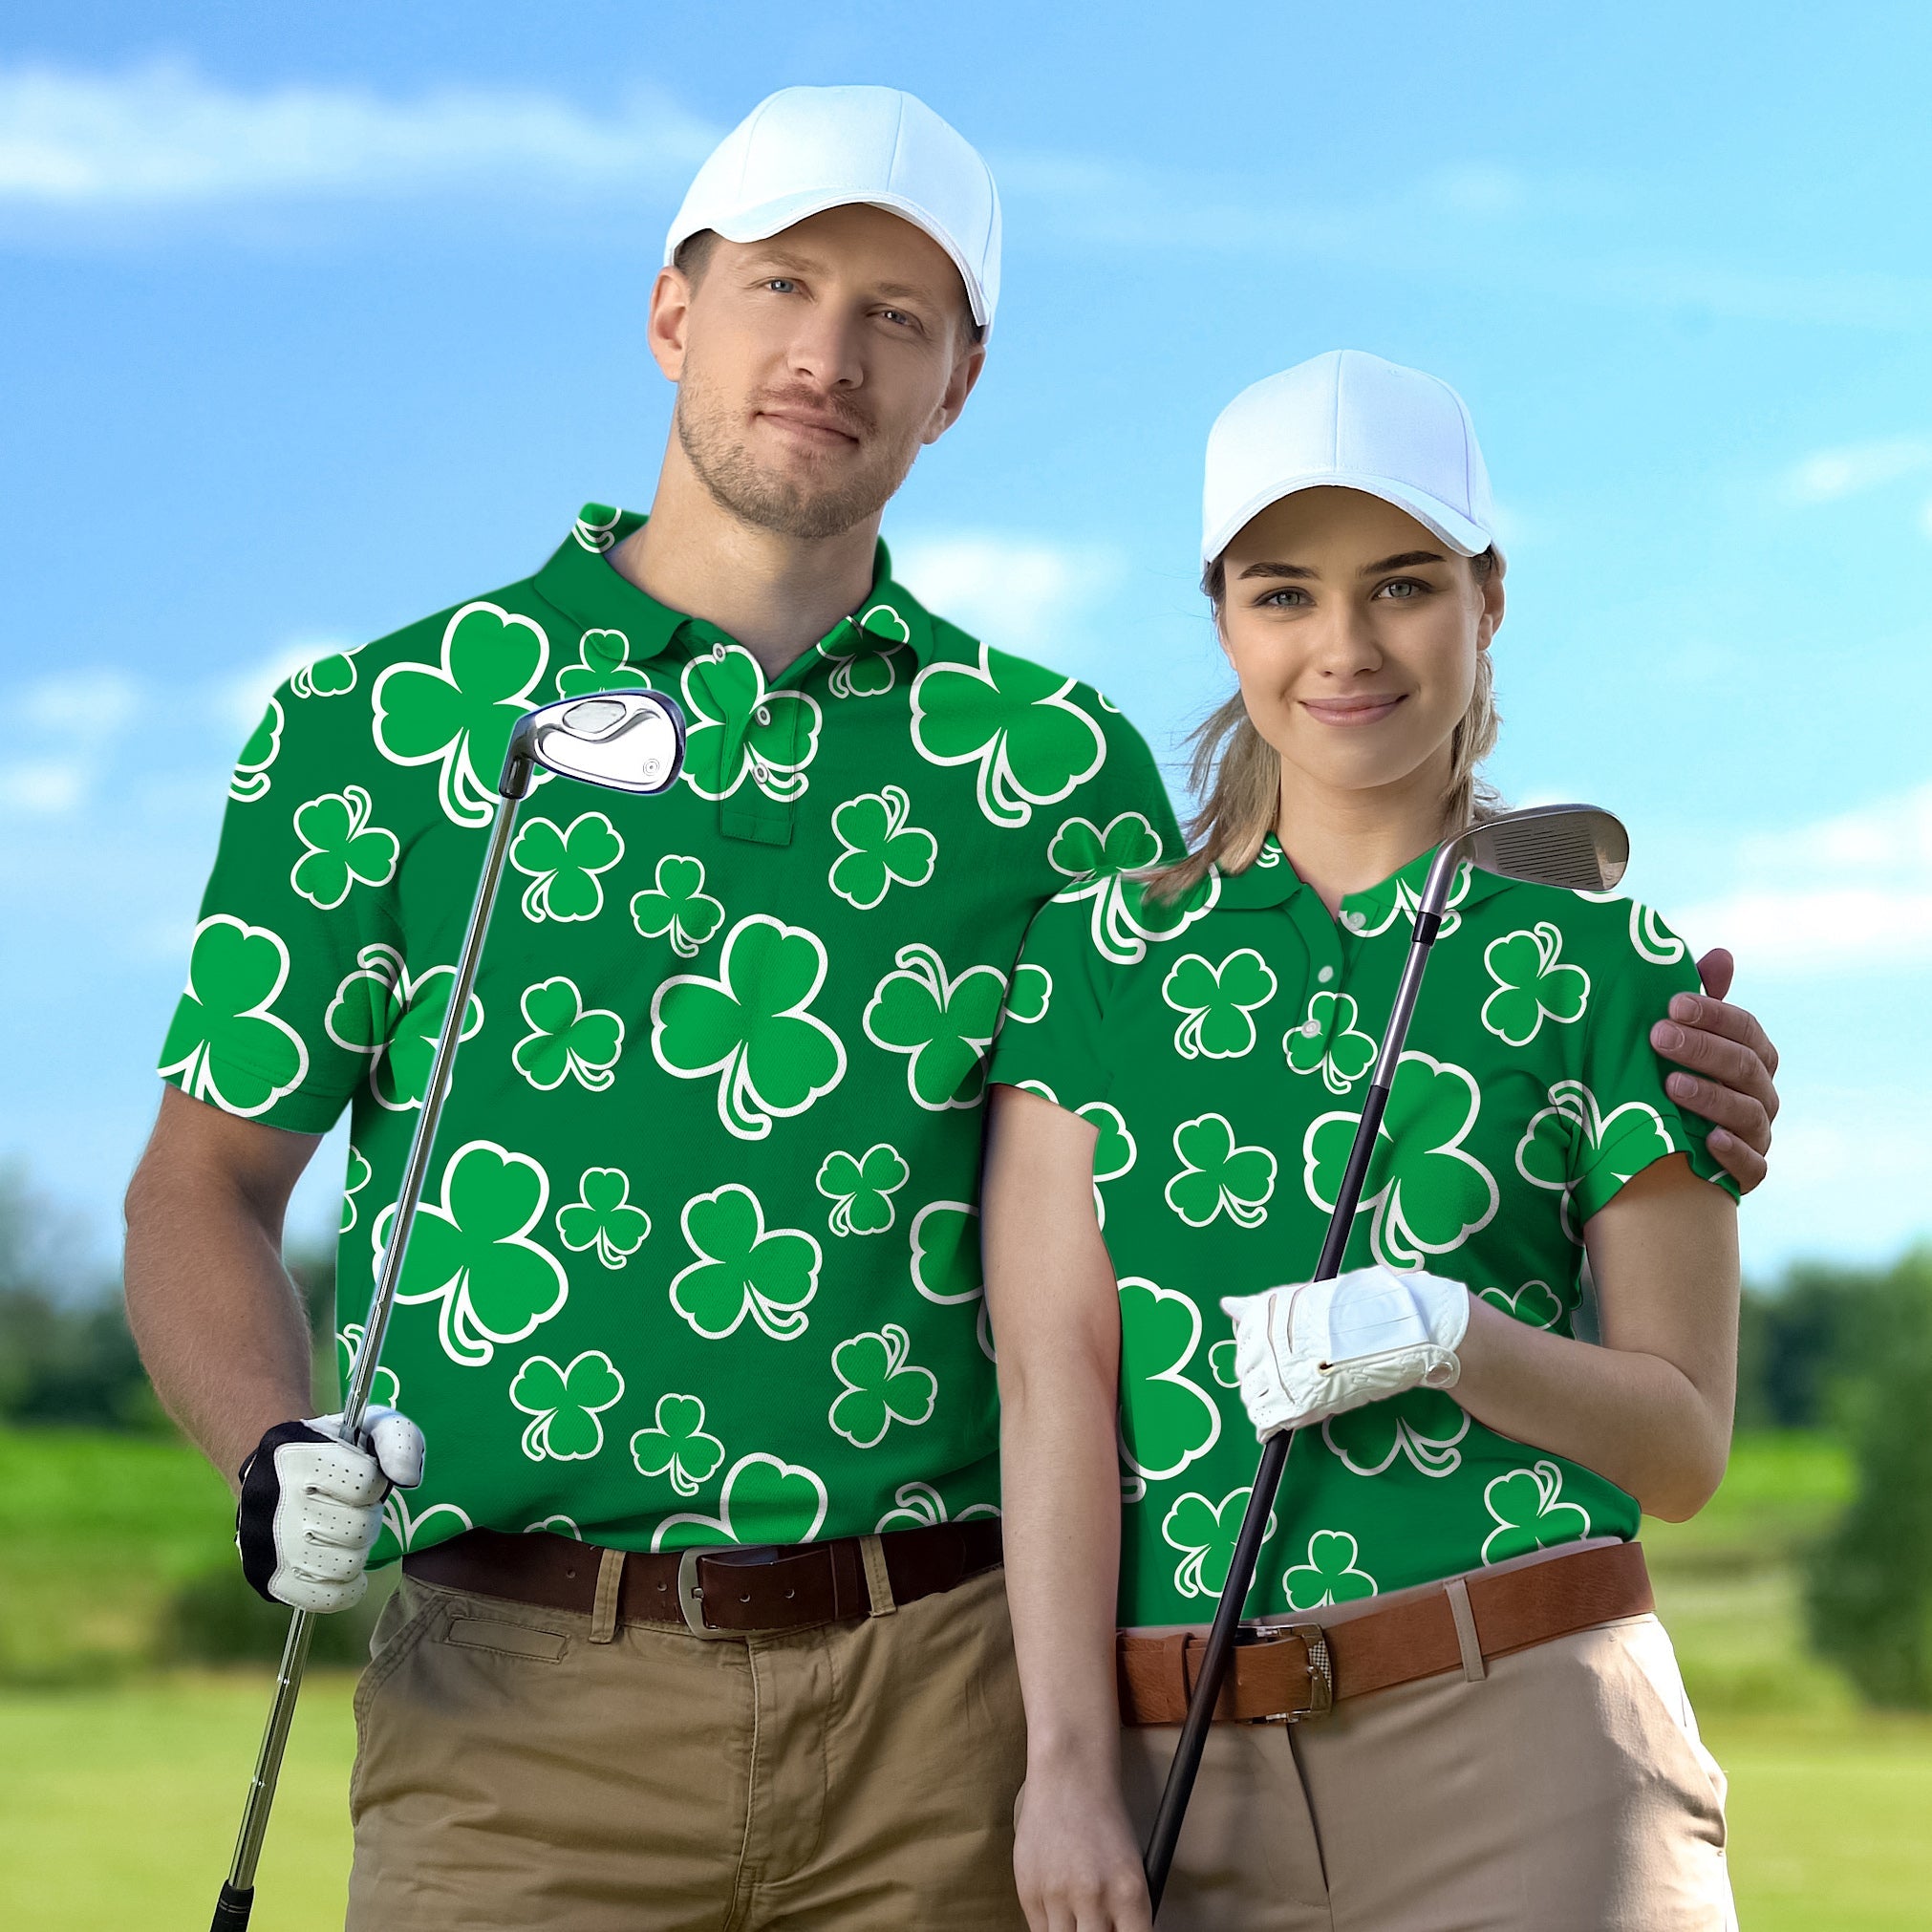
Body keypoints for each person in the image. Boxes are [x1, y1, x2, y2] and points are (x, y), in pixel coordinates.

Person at [119, 80, 1777, 1929]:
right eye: (781, 287)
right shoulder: (386, 724)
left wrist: (1620, 1008)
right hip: (514, 1705)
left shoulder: (1048, 761)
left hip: (948, 1701)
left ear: (959, 379)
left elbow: (1276, 925)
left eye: (894, 316)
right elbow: (201, 1186)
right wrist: (271, 1449)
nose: (827, 353)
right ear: (673, 309)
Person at [985, 351, 1748, 1930]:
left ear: (1485, 599)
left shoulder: (1610, 964)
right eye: (1283, 594)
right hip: (1181, 1769)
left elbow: (1678, 1449)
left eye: (1400, 585)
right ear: (1220, 618)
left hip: (1532, 1731)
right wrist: (1062, 1763)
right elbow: (1053, 1378)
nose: (1343, 647)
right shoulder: (1088, 966)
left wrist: (1448, 1334)